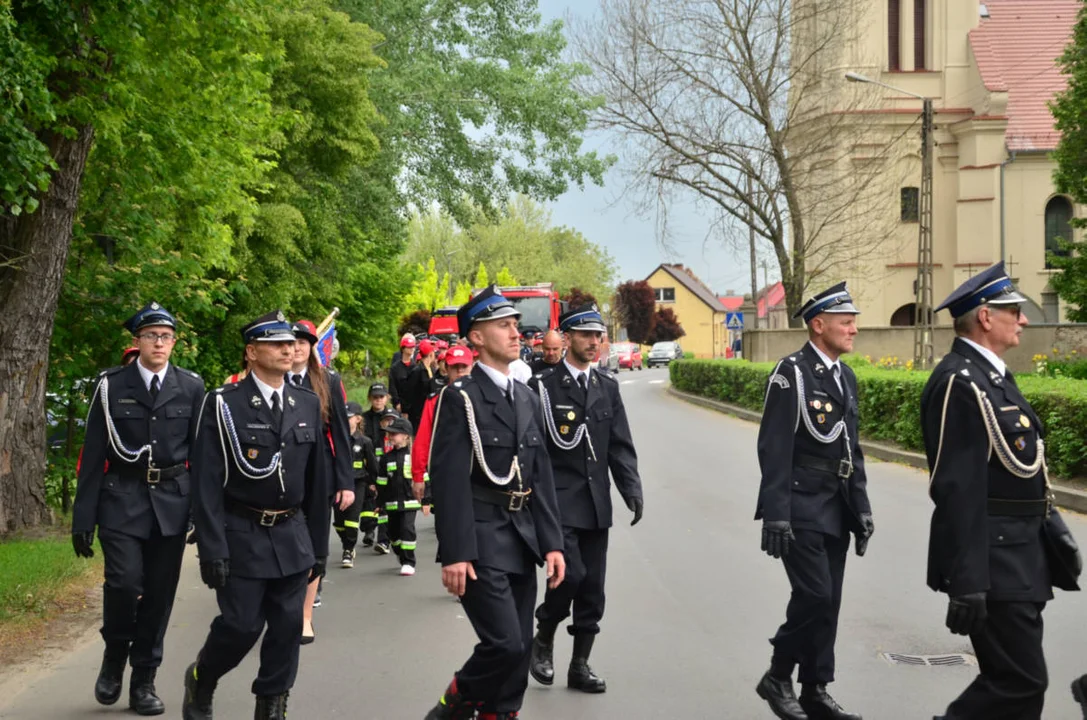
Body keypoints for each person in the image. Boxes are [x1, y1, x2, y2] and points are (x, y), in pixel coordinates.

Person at [921, 263, 1082, 720]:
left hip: (1019, 555)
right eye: (1015, 310)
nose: (1024, 319)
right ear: (986, 317)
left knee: (1017, 682)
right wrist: (969, 581)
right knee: (1019, 682)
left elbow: (1026, 472)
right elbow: (957, 489)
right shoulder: (960, 381)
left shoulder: (993, 378)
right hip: (993, 562)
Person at [424, 286, 565, 720]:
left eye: (516, 325)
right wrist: (456, 552)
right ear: (477, 338)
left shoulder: (526, 395)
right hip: (481, 534)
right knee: (504, 642)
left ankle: (500, 714)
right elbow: (448, 481)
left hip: (521, 537)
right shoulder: (461, 397)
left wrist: (553, 543)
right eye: (503, 325)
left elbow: (539, 476)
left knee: (520, 649)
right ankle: (454, 703)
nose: (515, 333)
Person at [182, 310, 329, 720]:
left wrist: (319, 547)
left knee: (286, 629)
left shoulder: (306, 402)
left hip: (292, 534)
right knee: (241, 625)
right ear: (251, 352)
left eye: (292, 342)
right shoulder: (223, 405)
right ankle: (203, 677)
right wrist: (212, 548)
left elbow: (318, 484)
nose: (289, 349)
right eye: (276, 343)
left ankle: (272, 704)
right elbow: (207, 482)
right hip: (241, 532)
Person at [72, 302, 205, 716]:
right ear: (137, 342)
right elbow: (93, 453)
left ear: (174, 343)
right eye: (151, 336)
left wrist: (202, 512)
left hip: (171, 501)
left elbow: (202, 457)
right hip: (122, 500)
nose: (159, 343)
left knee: (160, 597)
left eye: (166, 337)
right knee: (125, 584)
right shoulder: (111, 386)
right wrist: (83, 517)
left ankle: (144, 678)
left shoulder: (191, 386)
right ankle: (115, 655)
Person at [754, 282, 873, 720]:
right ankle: (778, 673)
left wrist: (861, 507)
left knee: (831, 601)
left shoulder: (845, 376)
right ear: (818, 325)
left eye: (854, 321)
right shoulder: (792, 374)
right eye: (846, 322)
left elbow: (851, 450)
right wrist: (776, 515)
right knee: (815, 596)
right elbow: (774, 448)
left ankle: (815, 689)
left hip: (836, 505)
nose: (854, 329)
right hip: (800, 504)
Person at [527, 305, 644, 695]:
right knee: (570, 575)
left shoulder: (607, 386)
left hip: (595, 503)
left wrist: (631, 489)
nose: (594, 342)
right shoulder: (542, 388)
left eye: (599, 336)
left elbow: (619, 445)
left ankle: (580, 664)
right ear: (566, 337)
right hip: (557, 503)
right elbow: (532, 449)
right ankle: (543, 634)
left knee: (593, 589)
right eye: (585, 335)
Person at [289, 320, 354, 633]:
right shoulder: (274, 379)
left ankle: (304, 616)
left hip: (321, 474)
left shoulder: (327, 380)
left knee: (315, 543)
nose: (299, 347)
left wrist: (346, 482)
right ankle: (283, 607)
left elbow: (341, 433)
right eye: (293, 341)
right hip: (283, 473)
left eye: (305, 342)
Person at [412, 345, 475, 507]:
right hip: (448, 471)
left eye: (464, 366)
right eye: (455, 367)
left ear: (472, 366)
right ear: (446, 369)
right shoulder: (436, 401)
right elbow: (423, 439)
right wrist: (418, 476)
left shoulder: (484, 398)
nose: (460, 371)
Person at [336, 401, 379, 568]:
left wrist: (373, 483)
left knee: (352, 519)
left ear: (358, 419)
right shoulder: (336, 439)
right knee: (339, 521)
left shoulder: (364, 441)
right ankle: (345, 540)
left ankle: (348, 549)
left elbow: (373, 465)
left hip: (358, 482)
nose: (346, 421)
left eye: (350, 418)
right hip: (339, 484)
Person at [377, 416, 421, 575]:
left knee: (407, 529)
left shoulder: (414, 456)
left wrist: (428, 499)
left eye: (394, 434)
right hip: (391, 503)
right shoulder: (386, 458)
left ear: (406, 436)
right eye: (389, 434)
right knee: (393, 533)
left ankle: (409, 561)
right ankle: (400, 552)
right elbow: (381, 483)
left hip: (410, 502)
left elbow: (423, 478)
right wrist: (379, 503)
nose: (390, 437)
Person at [389, 334, 417, 412]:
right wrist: (397, 403)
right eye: (409, 347)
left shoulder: (416, 367)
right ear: (403, 349)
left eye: (413, 347)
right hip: (399, 406)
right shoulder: (395, 368)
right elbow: (392, 387)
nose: (412, 349)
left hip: (413, 406)